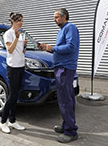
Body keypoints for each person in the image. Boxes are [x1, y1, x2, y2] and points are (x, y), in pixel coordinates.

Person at [39, 8, 80, 143]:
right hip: (61, 67)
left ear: (64, 17)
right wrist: (47, 48)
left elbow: (71, 47)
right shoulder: (62, 30)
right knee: (65, 98)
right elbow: (61, 50)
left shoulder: (70, 27)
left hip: (66, 68)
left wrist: (52, 48)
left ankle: (71, 132)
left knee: (65, 99)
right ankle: (66, 125)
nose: (54, 19)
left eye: (56, 17)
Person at [0, 12, 27, 133]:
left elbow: (21, 52)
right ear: (13, 22)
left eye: (22, 20)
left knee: (16, 95)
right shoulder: (8, 34)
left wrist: (24, 46)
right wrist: (16, 38)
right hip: (13, 68)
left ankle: (12, 120)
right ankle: (2, 122)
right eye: (19, 21)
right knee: (12, 96)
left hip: (21, 66)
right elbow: (10, 50)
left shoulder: (20, 34)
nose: (21, 23)